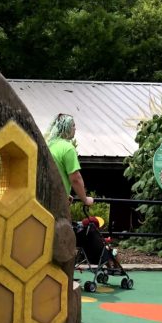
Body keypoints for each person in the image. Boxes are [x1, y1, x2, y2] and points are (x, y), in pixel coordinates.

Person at [44, 113, 116, 268]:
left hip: (46, 198)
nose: (75, 129)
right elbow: (75, 178)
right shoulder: (67, 148)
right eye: (74, 125)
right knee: (72, 235)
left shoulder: (48, 146)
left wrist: (65, 194)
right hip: (57, 206)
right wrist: (85, 199)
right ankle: (102, 262)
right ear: (67, 128)